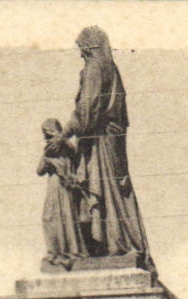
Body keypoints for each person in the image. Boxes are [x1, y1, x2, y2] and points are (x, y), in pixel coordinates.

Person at [65, 26, 152, 265]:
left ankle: (114, 245)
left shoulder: (94, 69)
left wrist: (65, 133)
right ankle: (122, 244)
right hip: (112, 138)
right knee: (116, 189)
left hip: (99, 139)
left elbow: (88, 108)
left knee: (104, 189)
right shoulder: (111, 69)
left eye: (82, 49)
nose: (81, 54)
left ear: (90, 48)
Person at [37, 118, 85, 269]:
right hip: (68, 186)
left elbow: (39, 170)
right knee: (67, 217)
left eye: (45, 132)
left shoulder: (51, 148)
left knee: (51, 217)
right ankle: (71, 251)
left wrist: (47, 159)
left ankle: (57, 253)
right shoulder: (70, 148)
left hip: (56, 184)